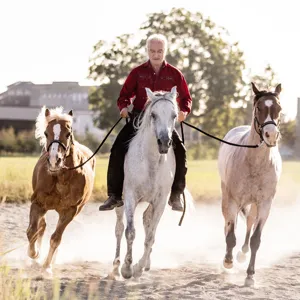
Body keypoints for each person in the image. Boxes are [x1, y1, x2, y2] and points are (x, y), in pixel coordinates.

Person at [99, 33, 192, 212]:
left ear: (165, 51)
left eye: (159, 51)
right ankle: (114, 195)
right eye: (152, 51)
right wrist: (124, 107)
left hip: (164, 121)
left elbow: (186, 98)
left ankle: (175, 195)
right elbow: (124, 95)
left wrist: (183, 112)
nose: (156, 54)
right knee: (117, 148)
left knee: (180, 150)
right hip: (139, 120)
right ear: (147, 51)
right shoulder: (137, 72)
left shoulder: (175, 74)